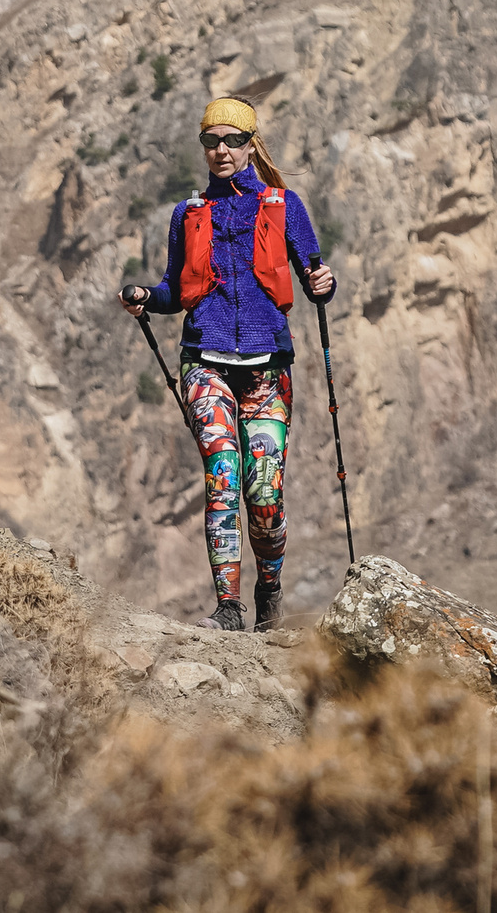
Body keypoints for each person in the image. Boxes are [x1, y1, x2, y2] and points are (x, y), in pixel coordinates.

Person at [118, 96, 335, 633]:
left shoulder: (285, 206)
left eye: (231, 140)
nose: (220, 150)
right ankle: (229, 607)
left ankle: (269, 589)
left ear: (250, 145)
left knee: (263, 490)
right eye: (210, 141)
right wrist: (148, 294)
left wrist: (325, 284)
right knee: (221, 473)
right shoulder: (189, 214)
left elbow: (315, 274)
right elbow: (176, 290)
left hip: (267, 367)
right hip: (205, 362)